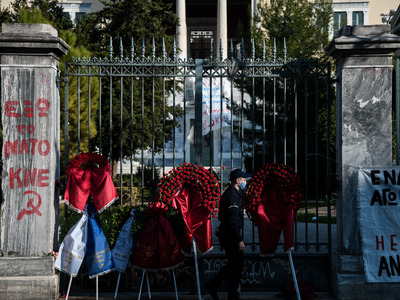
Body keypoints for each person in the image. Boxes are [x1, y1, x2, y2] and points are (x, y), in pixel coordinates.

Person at [207, 168, 250, 300]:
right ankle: (219, 288)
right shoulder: (232, 196)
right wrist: (239, 240)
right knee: (235, 266)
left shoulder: (234, 193)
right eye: (244, 180)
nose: (245, 182)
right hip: (230, 235)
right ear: (238, 180)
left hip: (228, 234)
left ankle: (219, 288)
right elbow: (232, 221)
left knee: (234, 265)